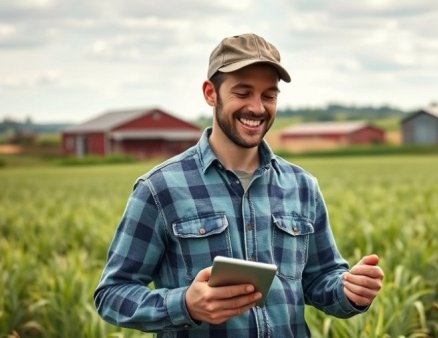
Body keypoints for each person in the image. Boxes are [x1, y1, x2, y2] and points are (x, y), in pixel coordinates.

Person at [94, 33, 384, 337]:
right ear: (210, 93)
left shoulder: (302, 186)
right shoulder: (159, 188)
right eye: (243, 93)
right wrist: (186, 305)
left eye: (268, 95)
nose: (257, 108)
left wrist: (348, 289)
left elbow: (319, 279)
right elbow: (112, 295)